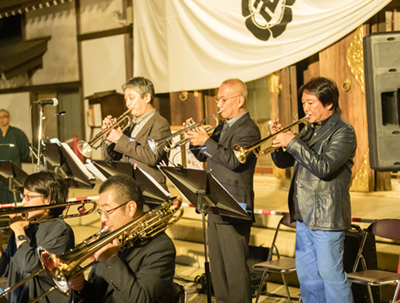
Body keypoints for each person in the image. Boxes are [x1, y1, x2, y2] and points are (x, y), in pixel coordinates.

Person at [270, 77, 356, 303]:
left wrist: (293, 143)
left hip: (327, 217)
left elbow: (324, 167)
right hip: (304, 215)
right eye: (303, 103)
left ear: (328, 104)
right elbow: (284, 163)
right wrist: (278, 144)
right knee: (308, 279)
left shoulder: (343, 132)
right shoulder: (310, 130)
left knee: (332, 278)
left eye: (310, 102)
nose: (305, 108)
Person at [185, 78, 261, 303]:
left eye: (223, 99)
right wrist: (194, 137)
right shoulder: (222, 126)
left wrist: (206, 140)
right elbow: (202, 155)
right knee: (218, 270)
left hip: (234, 204)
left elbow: (234, 161)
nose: (219, 104)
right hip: (215, 202)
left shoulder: (249, 129)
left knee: (235, 269)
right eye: (218, 99)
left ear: (239, 100)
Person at [68, 174, 179, 303]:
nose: (103, 219)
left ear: (130, 208)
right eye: (100, 212)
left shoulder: (160, 247)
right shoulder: (107, 238)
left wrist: (111, 261)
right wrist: (81, 286)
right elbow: (98, 294)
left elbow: (140, 299)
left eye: (107, 211)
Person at [0, 171, 75, 303]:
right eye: (23, 196)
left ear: (48, 199)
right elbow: (7, 270)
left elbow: (31, 265)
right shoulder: (26, 227)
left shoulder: (60, 230)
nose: (23, 202)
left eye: (28, 197)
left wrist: (18, 231)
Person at [103, 77, 171, 190]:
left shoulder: (160, 123)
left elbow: (151, 156)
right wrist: (108, 137)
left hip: (150, 189)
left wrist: (120, 140)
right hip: (129, 188)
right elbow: (113, 157)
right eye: (126, 99)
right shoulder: (131, 125)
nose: (128, 103)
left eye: (131, 98)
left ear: (147, 97)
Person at [0, 109, 30, 204]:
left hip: (15, 177)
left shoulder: (18, 134)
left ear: (10, 118)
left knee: (16, 205)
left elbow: (25, 153)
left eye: (4, 116)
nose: (2, 119)